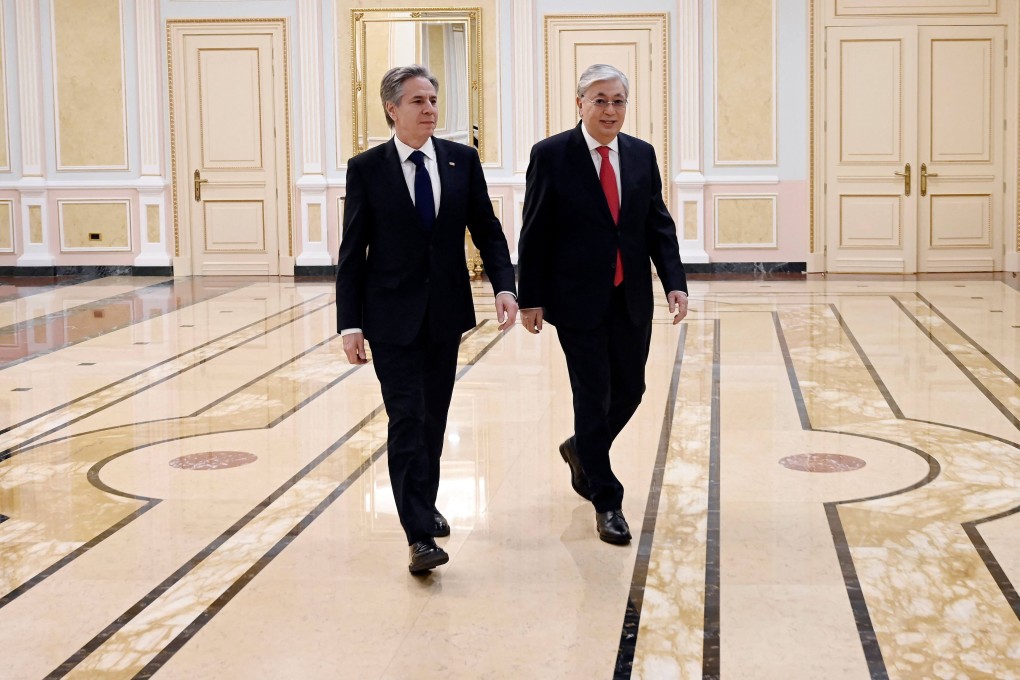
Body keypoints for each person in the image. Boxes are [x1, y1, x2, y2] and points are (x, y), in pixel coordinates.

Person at [336, 65, 518, 574]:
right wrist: (350, 324)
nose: (430, 109)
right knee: (407, 418)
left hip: (444, 314)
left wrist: (505, 285)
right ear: (392, 109)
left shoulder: (462, 160)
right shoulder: (367, 168)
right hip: (388, 317)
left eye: (433, 100)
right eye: (418, 101)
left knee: (433, 419)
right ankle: (417, 534)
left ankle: (425, 501)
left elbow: (487, 229)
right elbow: (352, 251)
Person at [517, 64, 688, 545]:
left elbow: (657, 224)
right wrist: (531, 297)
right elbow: (535, 230)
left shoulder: (641, 154)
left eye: (618, 101)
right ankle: (606, 499)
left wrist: (674, 282)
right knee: (592, 395)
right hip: (576, 300)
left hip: (630, 297)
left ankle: (580, 449)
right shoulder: (552, 154)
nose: (610, 110)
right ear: (580, 104)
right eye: (600, 100)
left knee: (631, 389)